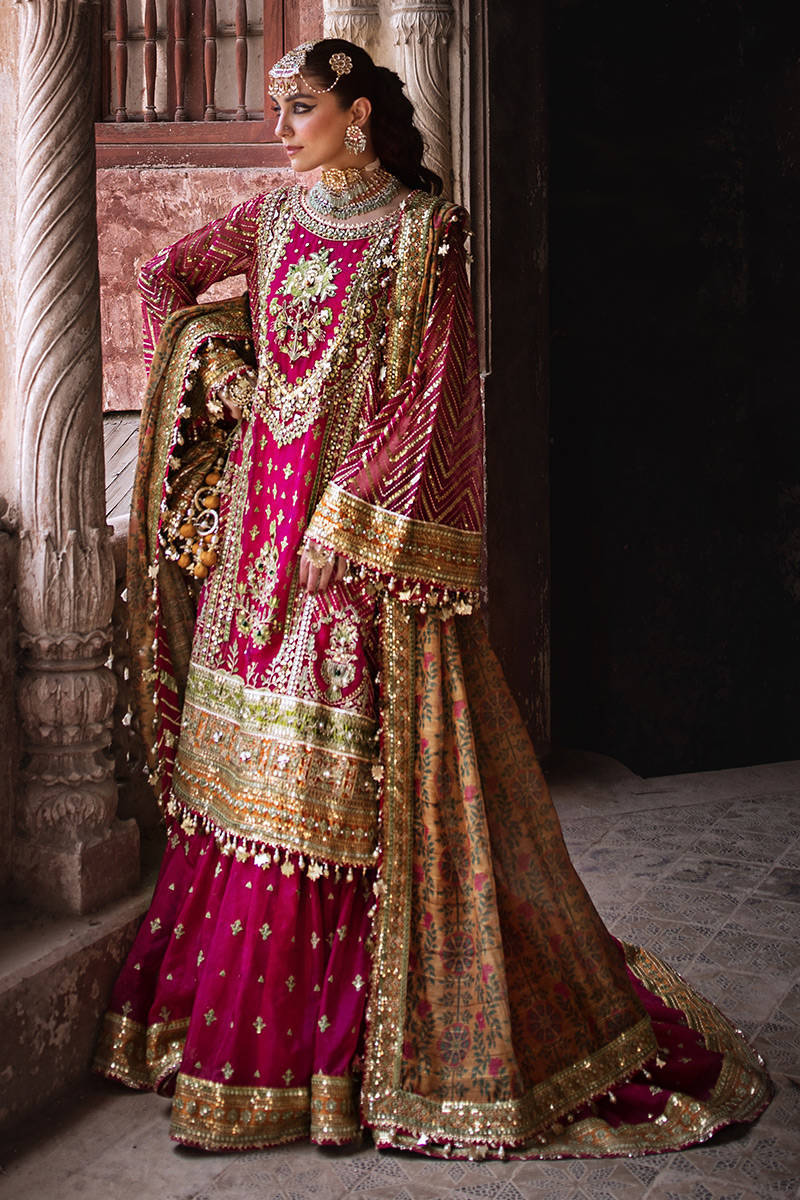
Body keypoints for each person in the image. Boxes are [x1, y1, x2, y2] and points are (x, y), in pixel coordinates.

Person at [93, 38, 771, 1157]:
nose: (279, 130)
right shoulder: (271, 218)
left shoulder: (424, 233)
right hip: (256, 542)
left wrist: (347, 523)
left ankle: (336, 1066)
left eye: (299, 109)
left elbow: (432, 399)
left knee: (330, 787)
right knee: (243, 778)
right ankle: (218, 1041)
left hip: (346, 549)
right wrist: (229, 373)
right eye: (277, 110)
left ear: (356, 113)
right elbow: (161, 276)